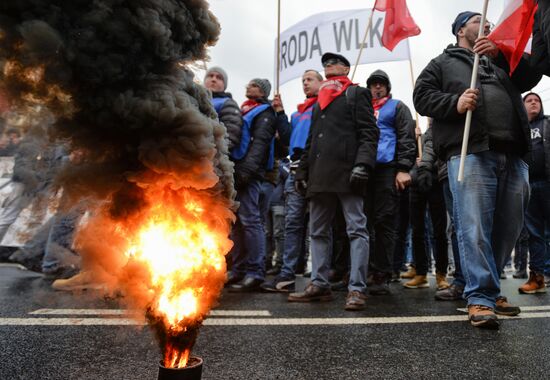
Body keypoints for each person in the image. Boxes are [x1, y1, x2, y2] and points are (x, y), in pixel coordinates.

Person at [413, 11, 539, 329]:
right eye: (477, 21)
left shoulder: (499, 59)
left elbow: (531, 75)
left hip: (513, 155)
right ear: (460, 30)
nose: (486, 25)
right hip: (471, 153)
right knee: (474, 229)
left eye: (488, 23)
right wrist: (454, 103)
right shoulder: (442, 62)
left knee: (508, 228)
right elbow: (422, 96)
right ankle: (480, 298)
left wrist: (502, 52)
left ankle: (491, 288)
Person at [287, 52, 379, 311]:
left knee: (356, 229)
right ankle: (319, 284)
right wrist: (302, 172)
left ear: (346, 68)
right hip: (319, 175)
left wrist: (363, 164)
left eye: (333, 63)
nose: (328, 66)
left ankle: (357, 289)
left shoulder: (356, 94)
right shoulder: (318, 101)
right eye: (325, 63)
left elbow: (369, 133)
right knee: (316, 231)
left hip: (348, 173)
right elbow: (311, 140)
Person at [261, 70, 323, 292]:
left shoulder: (324, 107)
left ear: (321, 83)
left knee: (318, 226)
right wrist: (280, 113)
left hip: (316, 169)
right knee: (292, 223)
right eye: (303, 80)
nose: (305, 83)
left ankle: (320, 277)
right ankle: (287, 273)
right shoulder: (298, 114)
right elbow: (287, 140)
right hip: (295, 169)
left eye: (310, 79)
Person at [364, 70, 416, 295]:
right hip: (365, 170)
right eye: (373, 84)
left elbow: (406, 137)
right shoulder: (364, 109)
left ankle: (382, 273)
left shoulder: (397, 106)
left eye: (381, 84)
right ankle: (361, 270)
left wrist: (403, 168)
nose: (377, 88)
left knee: (384, 221)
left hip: (388, 169)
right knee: (363, 223)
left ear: (387, 87)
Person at [227, 78, 277, 292]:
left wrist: (246, 171)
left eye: (254, 85)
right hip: (238, 171)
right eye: (248, 84)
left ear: (263, 91)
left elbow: (260, 144)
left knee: (251, 220)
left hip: (250, 173)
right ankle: (238, 269)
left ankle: (255, 272)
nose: (248, 87)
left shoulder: (265, 112)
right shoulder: (246, 109)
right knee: (237, 222)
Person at [518, 92, 550, 294]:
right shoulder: (518, 128)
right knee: (534, 233)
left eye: (536, 100)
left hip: (548, 183)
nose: (533, 103)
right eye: (529, 101)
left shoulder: (547, 123)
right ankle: (537, 277)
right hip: (527, 185)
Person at [204, 66, 243, 150]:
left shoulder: (227, 103)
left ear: (224, 85)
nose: (213, 79)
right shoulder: (193, 99)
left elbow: (230, 138)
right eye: (210, 76)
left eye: (219, 78)